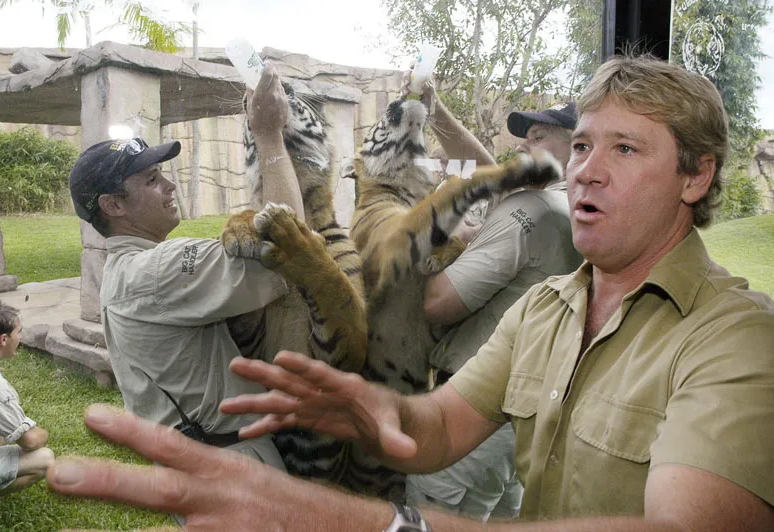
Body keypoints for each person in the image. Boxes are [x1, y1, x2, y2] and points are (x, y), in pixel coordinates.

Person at [49, 55, 774, 531]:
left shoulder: (739, 339)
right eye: (582, 145)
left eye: (625, 148)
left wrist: (381, 522)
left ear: (696, 176)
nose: (584, 170)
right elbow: (441, 426)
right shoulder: (547, 310)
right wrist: (369, 407)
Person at [66, 65, 303, 470]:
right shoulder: (158, 271)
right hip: (232, 467)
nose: (170, 185)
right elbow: (291, 250)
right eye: (151, 180)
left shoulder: (122, 273)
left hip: (197, 464)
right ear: (113, 205)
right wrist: (268, 134)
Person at [408, 95, 582, 520]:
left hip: (472, 412)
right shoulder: (574, 212)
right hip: (522, 421)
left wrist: (422, 245)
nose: (522, 145)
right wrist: (435, 109)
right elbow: (493, 175)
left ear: (579, 148)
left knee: (427, 512)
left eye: (538, 137)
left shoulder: (531, 209)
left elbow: (437, 303)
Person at [0, 301, 54, 501]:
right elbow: (31, 441)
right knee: (44, 459)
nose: (20, 337)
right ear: (3, 339)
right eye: (19, 332)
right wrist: (42, 433)